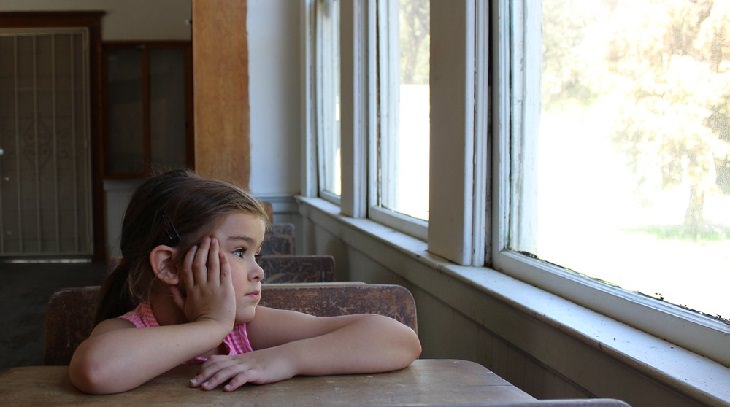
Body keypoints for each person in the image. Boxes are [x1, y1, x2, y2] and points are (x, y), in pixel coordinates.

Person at [69, 169, 421, 394]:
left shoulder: (245, 332)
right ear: (169, 265)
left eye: (257, 254)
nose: (259, 271)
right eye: (239, 252)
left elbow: (399, 340)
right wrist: (211, 326)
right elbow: (97, 370)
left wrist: (285, 359)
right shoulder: (128, 330)